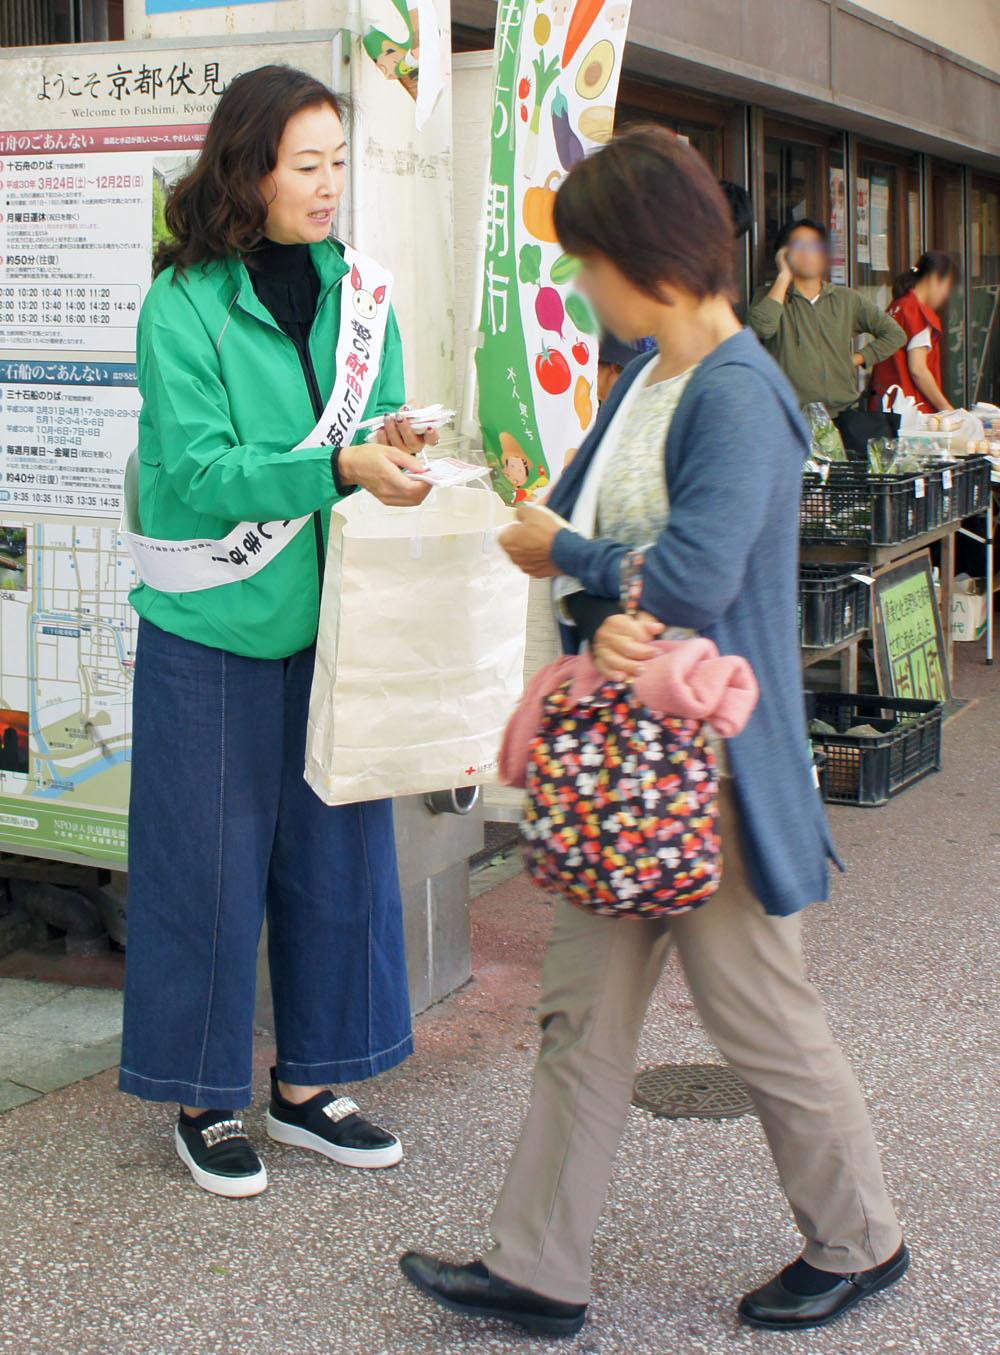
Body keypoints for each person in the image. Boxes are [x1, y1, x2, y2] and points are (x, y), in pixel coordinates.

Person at [400, 127, 908, 1339]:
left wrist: (579, 560)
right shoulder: (645, 379)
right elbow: (592, 531)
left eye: (587, 260)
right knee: (581, 1013)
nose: (581, 285)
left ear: (644, 259)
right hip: (627, 768)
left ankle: (861, 1240)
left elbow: (684, 570)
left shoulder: (741, 390)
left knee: (758, 1018)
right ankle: (538, 1268)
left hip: (713, 769)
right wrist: (561, 541)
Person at [119, 65, 438, 1198]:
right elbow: (200, 475)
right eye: (305, 165)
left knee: (338, 857)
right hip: (211, 623)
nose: (328, 186)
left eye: (338, 163)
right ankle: (202, 1095)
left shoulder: (359, 292)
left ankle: (314, 1082)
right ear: (246, 168)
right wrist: (336, 465)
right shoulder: (185, 302)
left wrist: (392, 450)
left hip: (333, 624)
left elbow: (368, 439)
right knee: (204, 865)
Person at [748, 218, 905, 416]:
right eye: (799, 245)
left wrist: (856, 359)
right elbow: (763, 327)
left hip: (842, 414)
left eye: (815, 246)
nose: (808, 252)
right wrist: (783, 276)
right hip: (790, 416)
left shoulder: (846, 298)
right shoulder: (770, 297)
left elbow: (895, 334)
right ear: (784, 253)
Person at [871, 251, 958, 413]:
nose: (946, 294)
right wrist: (946, 409)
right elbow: (918, 369)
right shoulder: (918, 313)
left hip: (885, 404)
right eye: (947, 286)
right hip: (911, 410)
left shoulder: (896, 307)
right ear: (934, 279)